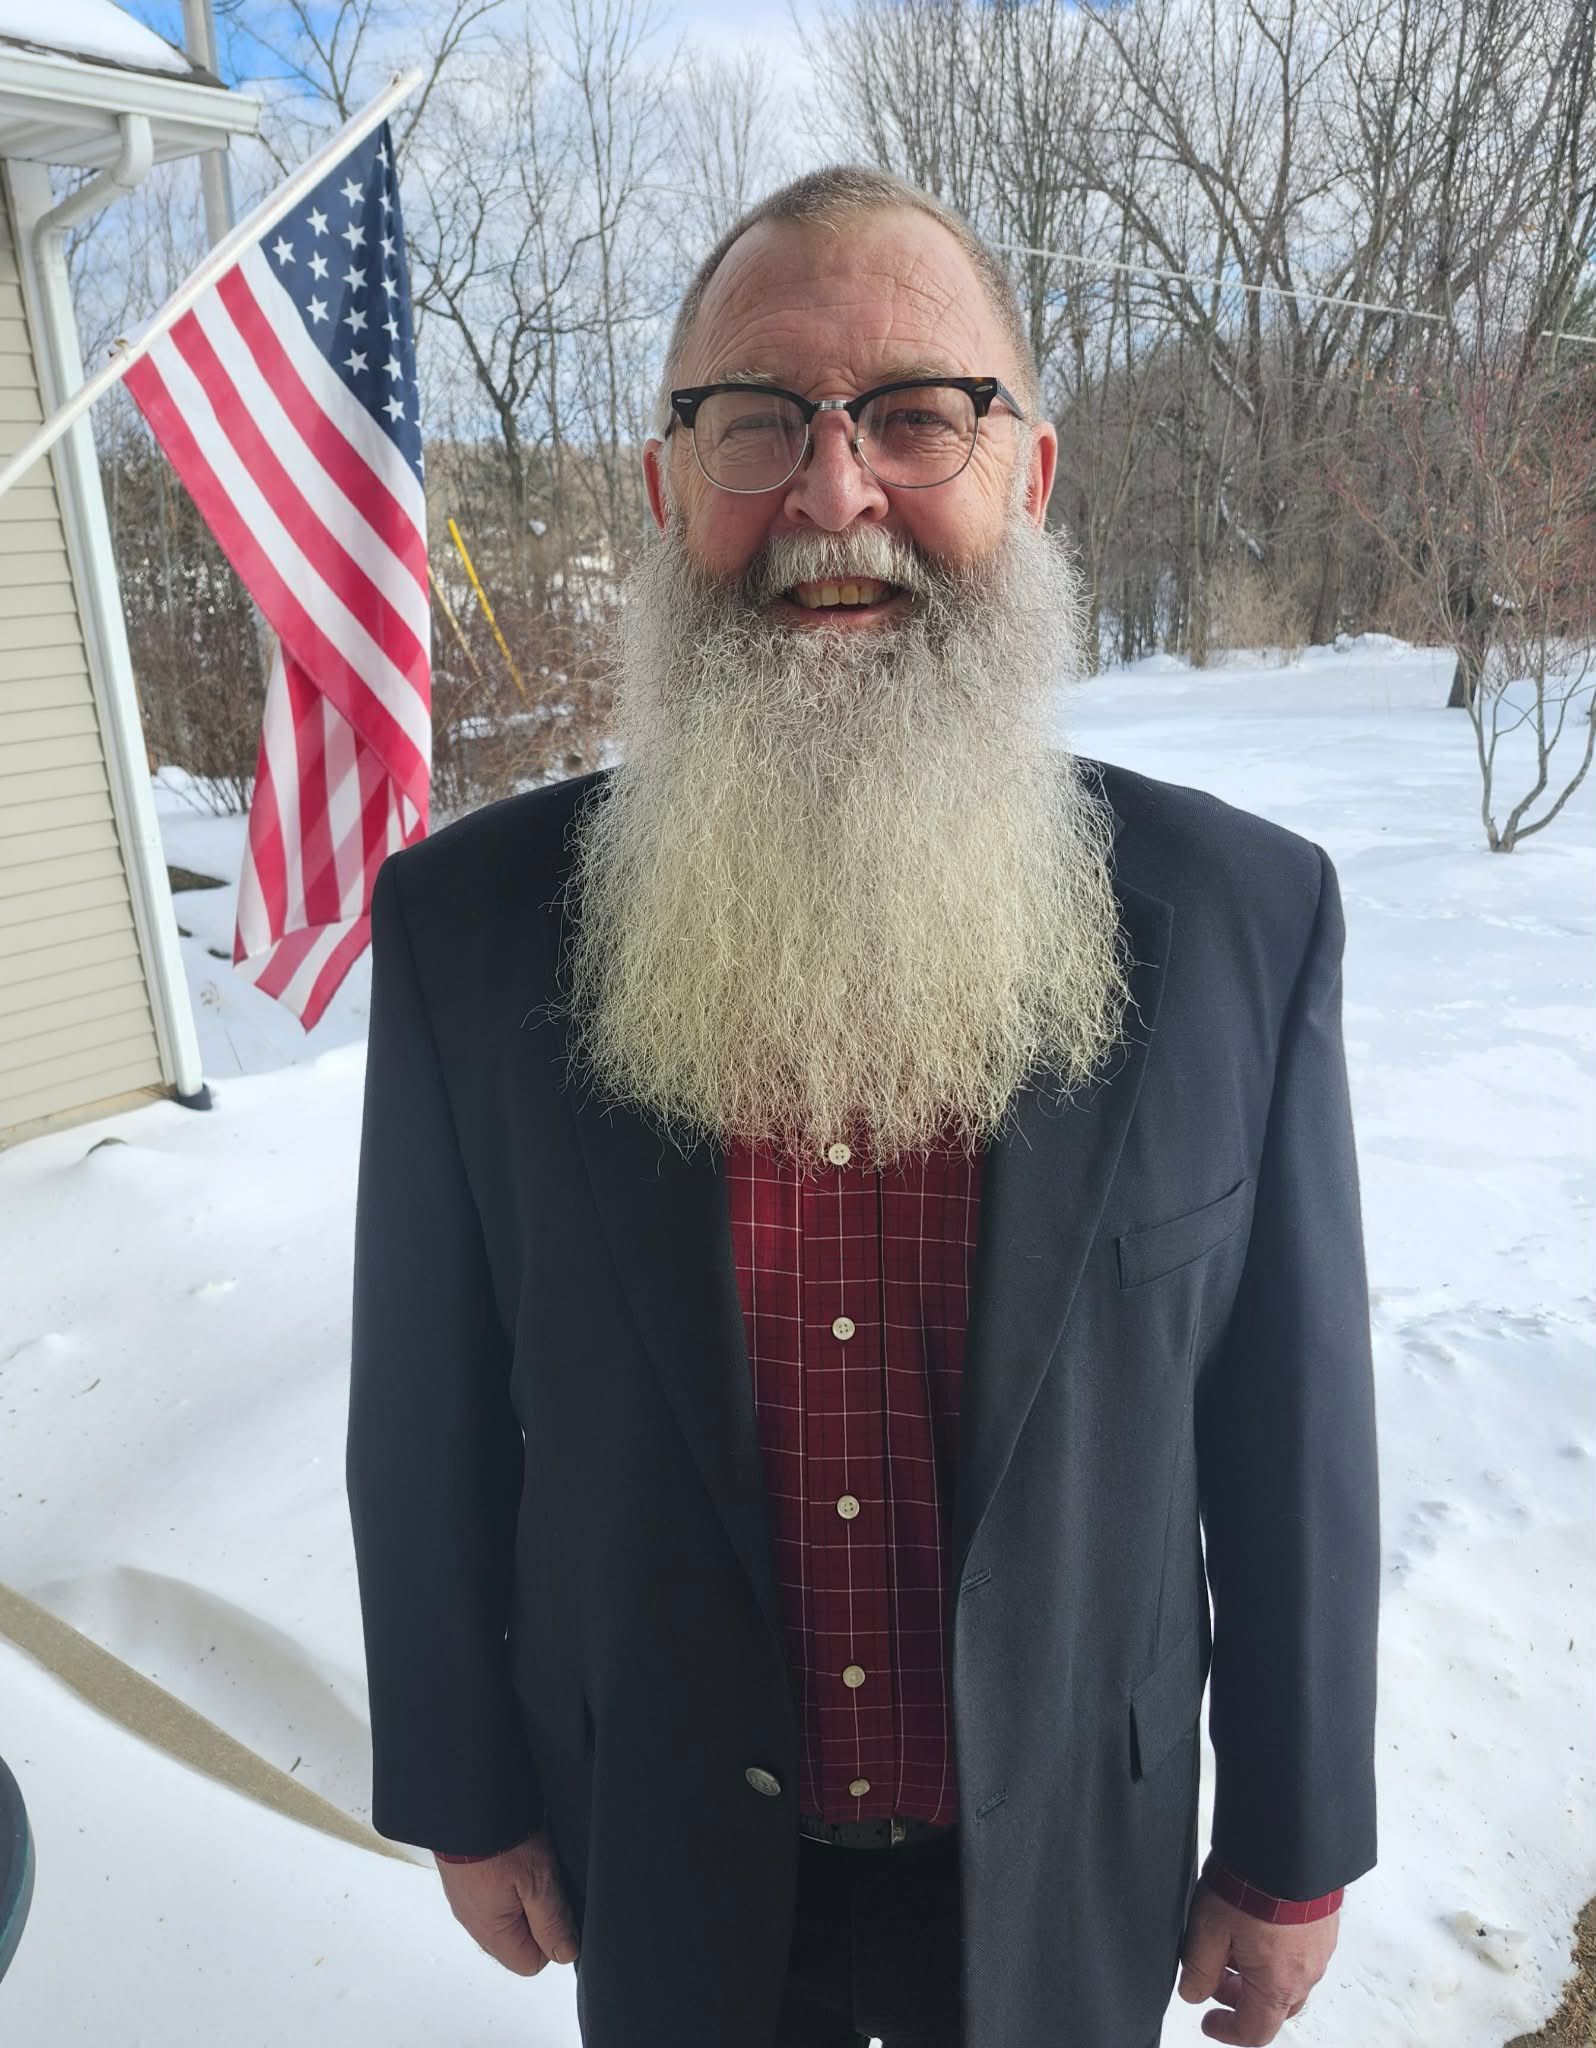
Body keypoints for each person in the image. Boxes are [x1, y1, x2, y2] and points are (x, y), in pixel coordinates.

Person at [346, 164, 1379, 2048]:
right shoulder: (467, 934)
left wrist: (1294, 1840)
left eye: (918, 416)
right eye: (758, 422)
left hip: (1070, 1862)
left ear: (1031, 475)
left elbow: (1287, 1427)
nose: (836, 496)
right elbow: (425, 1420)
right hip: (661, 1853)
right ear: (668, 489)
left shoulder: (1244, 919)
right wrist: (463, 1788)